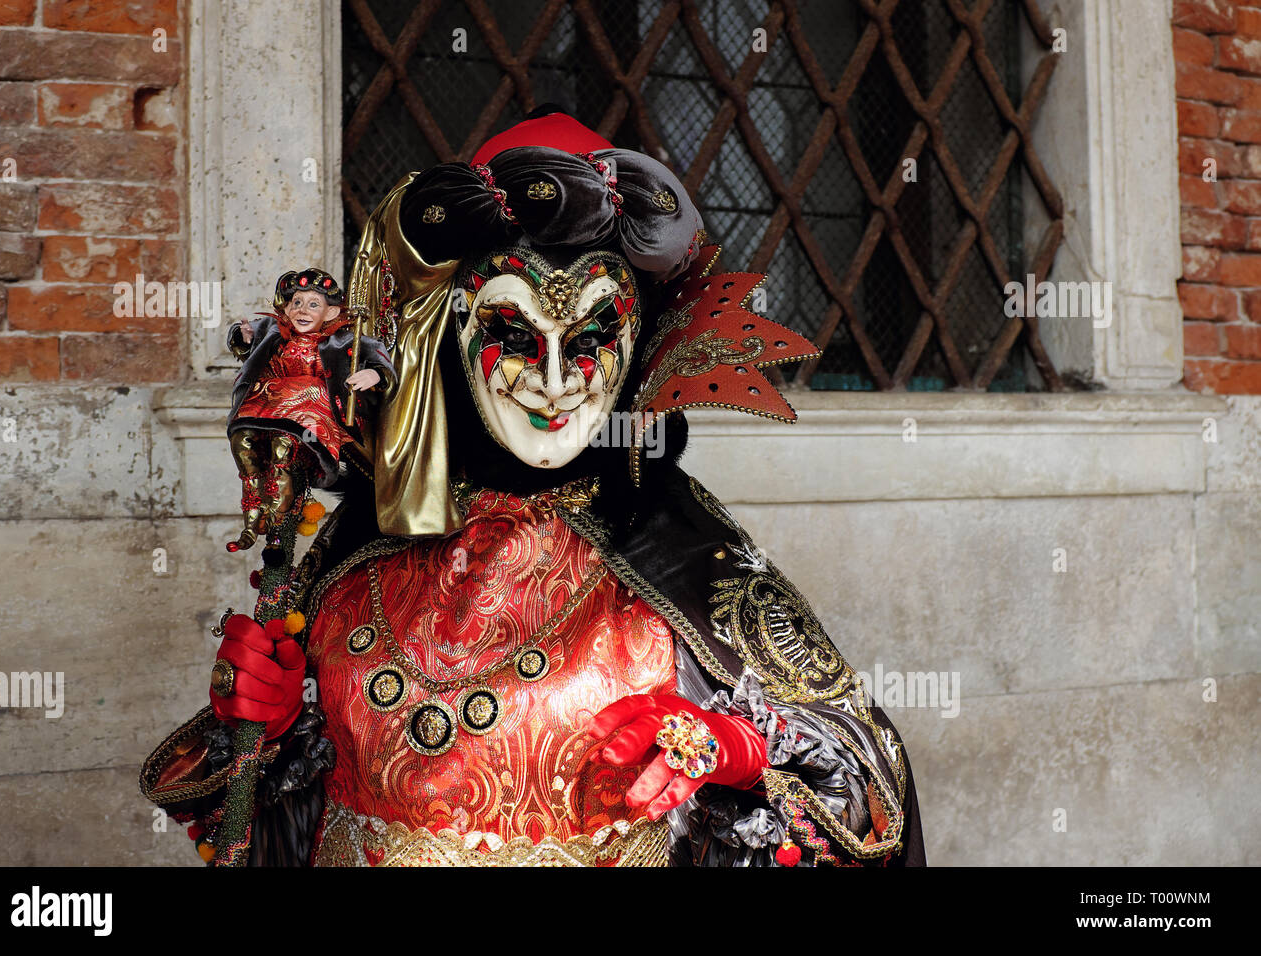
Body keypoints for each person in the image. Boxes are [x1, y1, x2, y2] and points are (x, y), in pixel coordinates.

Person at [141, 109, 924, 867]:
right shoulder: (362, 543)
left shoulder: (685, 552)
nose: (554, 383)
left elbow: (865, 779)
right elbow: (266, 813)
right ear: (447, 334)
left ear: (639, 345)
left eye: (590, 340)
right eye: (514, 337)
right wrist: (267, 732)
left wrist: (740, 752)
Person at [224, 269, 394, 551]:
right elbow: (243, 339)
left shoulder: (342, 340)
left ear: (330, 313)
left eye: (313, 304)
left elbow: (378, 358)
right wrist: (242, 336)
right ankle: (254, 512)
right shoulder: (272, 331)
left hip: (309, 410)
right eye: (296, 303)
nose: (302, 311)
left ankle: (279, 526)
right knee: (242, 443)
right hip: (267, 404)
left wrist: (375, 375)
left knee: (284, 449)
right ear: (285, 308)